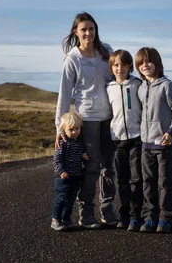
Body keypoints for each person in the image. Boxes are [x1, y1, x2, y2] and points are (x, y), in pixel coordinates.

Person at [55, 12, 117, 229]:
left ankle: (108, 209)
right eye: (84, 29)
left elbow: (120, 76)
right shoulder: (72, 59)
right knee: (92, 166)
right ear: (76, 32)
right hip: (88, 118)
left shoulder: (106, 51)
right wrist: (58, 128)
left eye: (91, 28)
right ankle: (86, 212)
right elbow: (64, 95)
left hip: (110, 118)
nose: (88, 33)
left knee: (109, 166)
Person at [135, 47, 172, 233]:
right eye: (141, 63)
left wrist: (171, 132)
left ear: (157, 63)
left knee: (164, 182)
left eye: (148, 61)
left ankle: (164, 217)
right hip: (146, 144)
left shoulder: (166, 85)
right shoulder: (141, 87)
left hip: (164, 144)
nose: (145, 65)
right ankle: (150, 216)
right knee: (148, 182)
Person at [106, 50, 144, 232]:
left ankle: (136, 215)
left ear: (130, 66)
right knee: (122, 179)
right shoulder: (108, 88)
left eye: (123, 65)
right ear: (111, 68)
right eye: (115, 65)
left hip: (137, 138)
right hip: (118, 140)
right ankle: (124, 214)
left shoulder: (138, 84)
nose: (119, 68)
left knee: (137, 178)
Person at [51, 112, 89, 232]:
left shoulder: (80, 143)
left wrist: (83, 156)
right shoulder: (63, 143)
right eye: (70, 129)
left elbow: (79, 155)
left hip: (76, 176)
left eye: (77, 128)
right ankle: (55, 219)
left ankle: (66, 219)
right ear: (64, 130)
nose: (74, 132)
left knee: (71, 200)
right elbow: (56, 159)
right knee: (61, 198)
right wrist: (61, 171)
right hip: (63, 177)